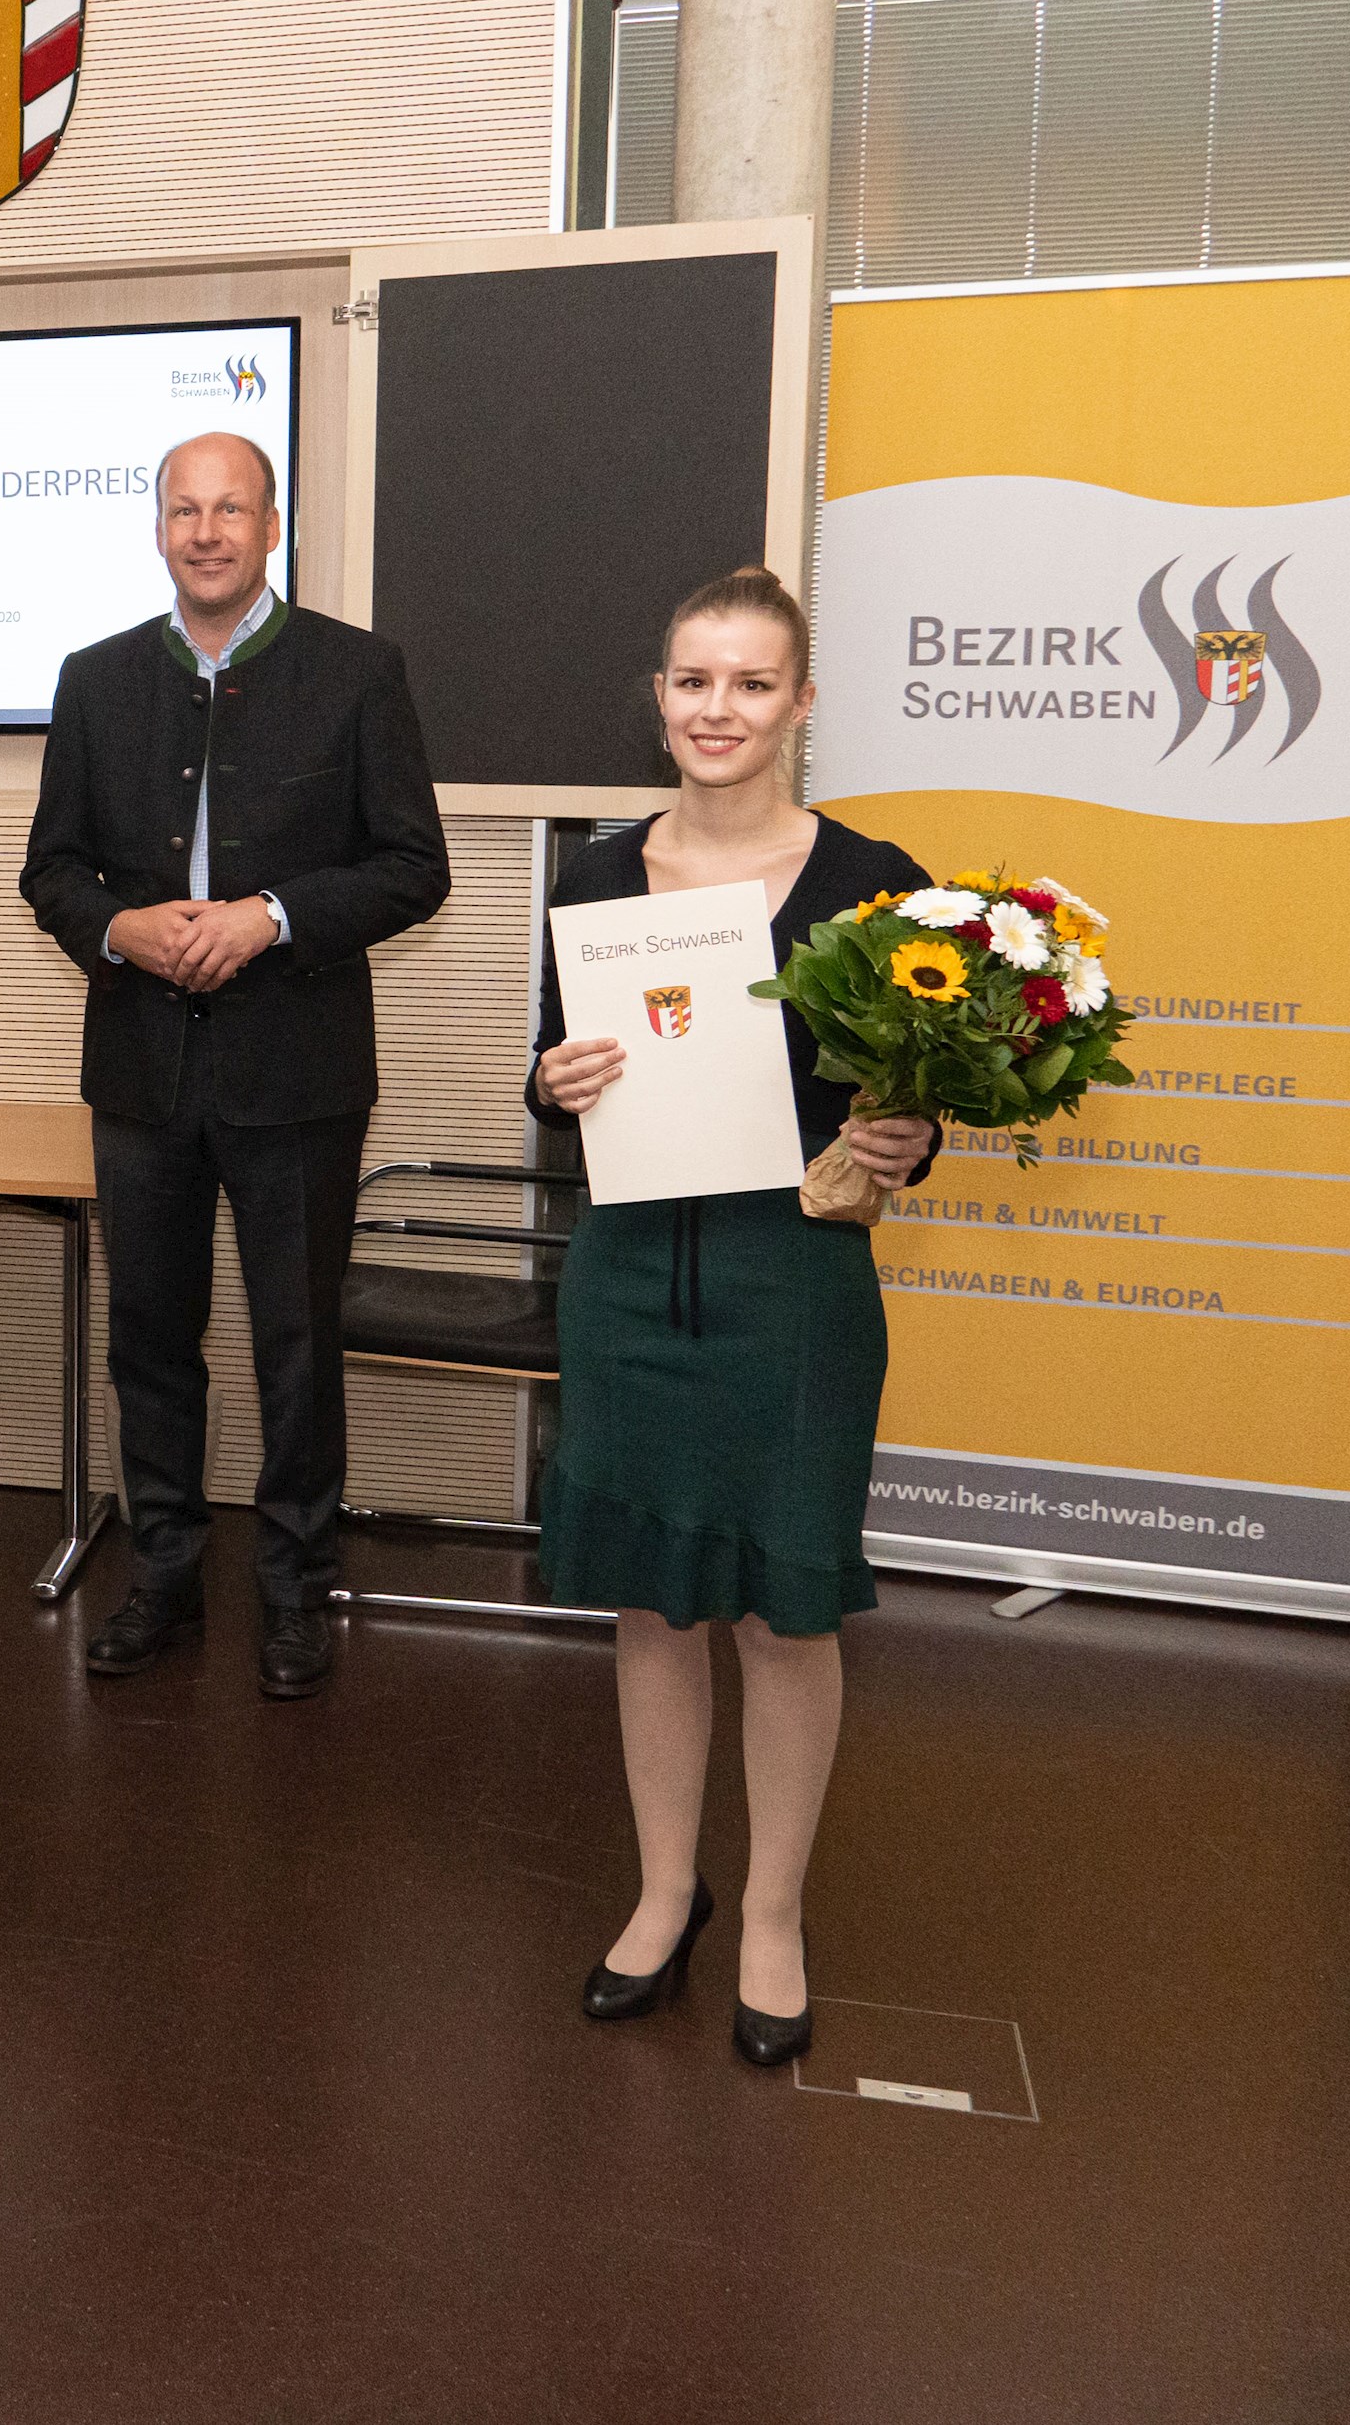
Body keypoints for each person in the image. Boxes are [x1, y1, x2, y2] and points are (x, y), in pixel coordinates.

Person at [528, 566, 938, 2069]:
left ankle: (772, 1911)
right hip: (630, 1278)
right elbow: (547, 1072)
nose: (719, 709)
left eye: (752, 682)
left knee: (784, 1611)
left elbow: (908, 1097)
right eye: (694, 680)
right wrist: (557, 1084)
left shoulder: (877, 879)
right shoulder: (593, 875)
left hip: (797, 1285)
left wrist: (906, 1139)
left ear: (802, 703)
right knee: (651, 1597)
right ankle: (663, 1889)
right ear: (660, 698)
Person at [20, 433, 451, 1698]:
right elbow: (48, 869)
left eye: (232, 509)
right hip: (141, 1072)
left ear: (275, 526)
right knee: (149, 1338)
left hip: (298, 1073)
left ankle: (295, 1590)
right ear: (158, 530)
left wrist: (268, 916)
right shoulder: (94, 680)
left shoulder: (357, 673)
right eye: (183, 510)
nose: (206, 531)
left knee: (296, 1343)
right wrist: (117, 927)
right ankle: (163, 1574)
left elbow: (413, 866)